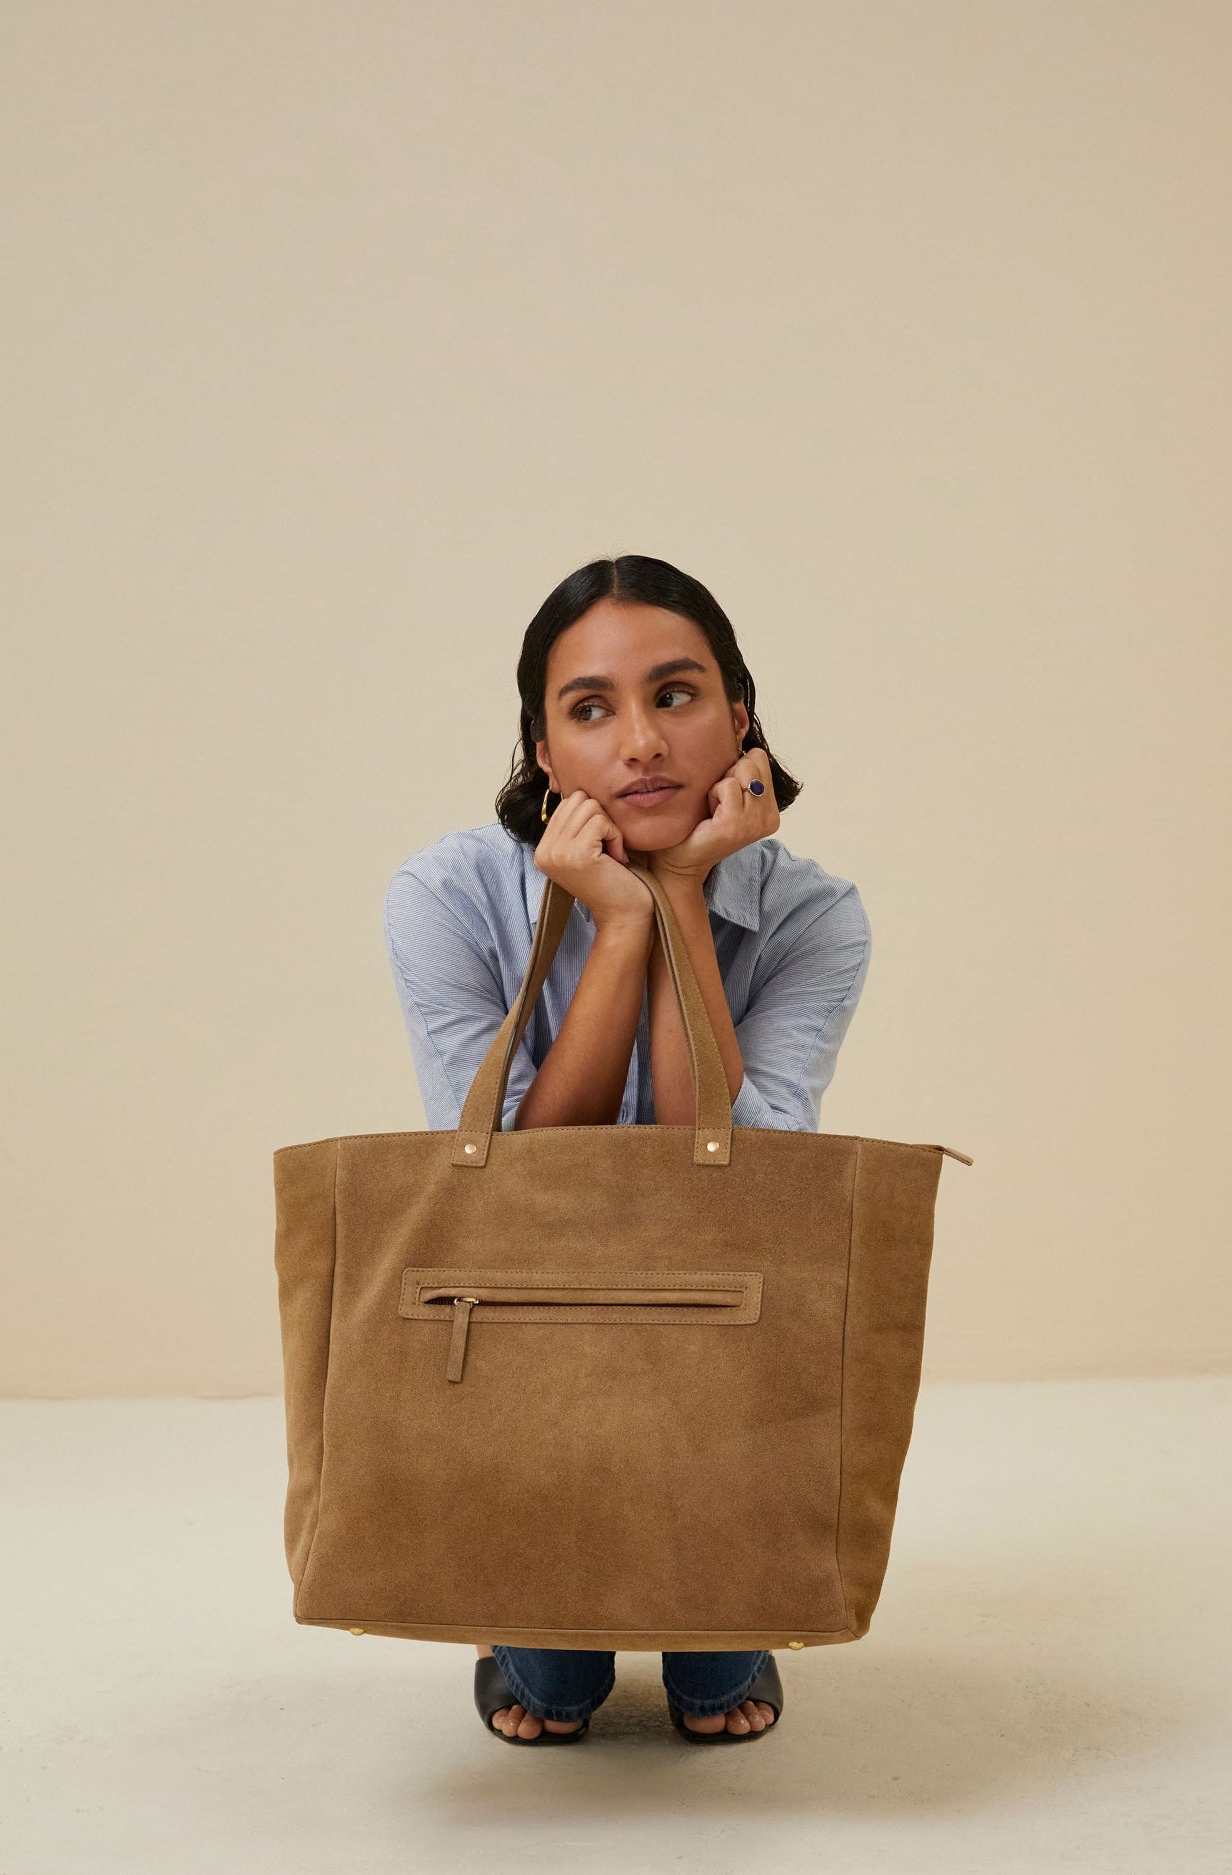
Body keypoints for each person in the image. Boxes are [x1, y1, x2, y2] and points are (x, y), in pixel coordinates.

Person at [382, 553, 872, 1744]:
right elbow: (507, 1189)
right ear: (543, 752)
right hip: (523, 1322)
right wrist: (615, 925)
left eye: (676, 694)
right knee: (554, 1685)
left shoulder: (815, 918)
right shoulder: (446, 896)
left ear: (738, 719)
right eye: (590, 710)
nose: (640, 742)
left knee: (713, 1667)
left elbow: (738, 1176)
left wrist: (685, 897)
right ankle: (529, 1623)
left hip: (720, 1317)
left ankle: (712, 1601)